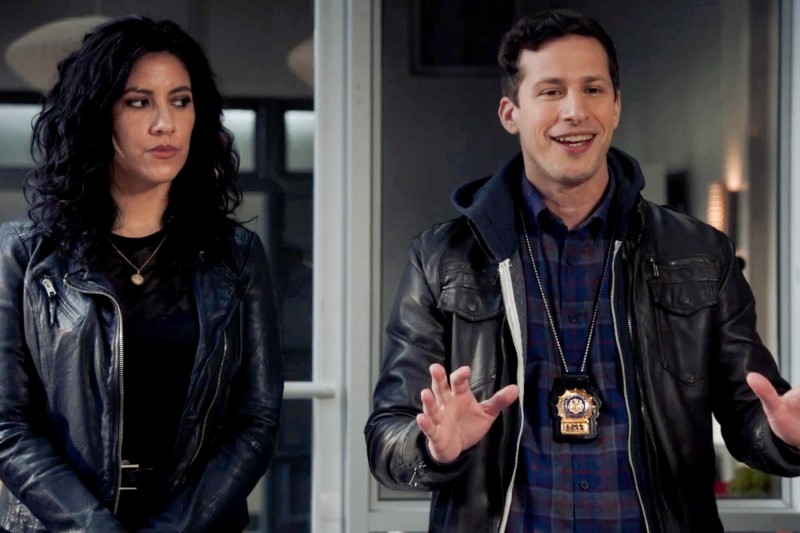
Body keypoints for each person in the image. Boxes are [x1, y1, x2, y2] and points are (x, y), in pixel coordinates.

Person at [365, 9, 800, 532]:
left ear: (615, 106)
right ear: (511, 113)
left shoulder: (700, 253)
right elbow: (387, 438)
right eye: (551, 91)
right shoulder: (442, 257)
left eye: (593, 89)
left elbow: (753, 414)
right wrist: (432, 446)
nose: (575, 111)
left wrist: (787, 437)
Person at [0, 16, 282, 532]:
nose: (165, 124)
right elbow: (8, 426)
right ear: (97, 115)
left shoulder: (235, 255)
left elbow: (255, 422)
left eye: (181, 101)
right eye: (138, 102)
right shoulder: (24, 255)